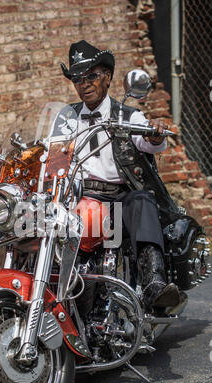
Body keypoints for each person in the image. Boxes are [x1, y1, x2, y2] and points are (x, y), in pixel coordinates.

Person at [61, 40, 180, 309]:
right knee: (18, 211)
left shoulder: (128, 115)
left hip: (119, 200)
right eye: (77, 78)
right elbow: (50, 150)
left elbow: (149, 142)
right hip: (79, 199)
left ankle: (153, 283)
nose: (84, 83)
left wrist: (155, 131)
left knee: (142, 200)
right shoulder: (66, 117)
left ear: (108, 77)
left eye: (91, 75)